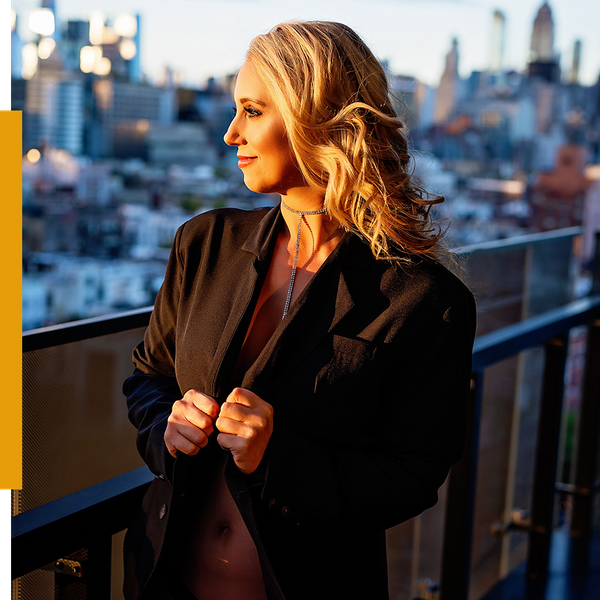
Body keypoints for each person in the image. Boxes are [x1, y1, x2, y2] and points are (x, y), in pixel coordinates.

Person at [123, 21, 476, 600]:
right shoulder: (204, 244)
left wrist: (277, 458)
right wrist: (167, 428)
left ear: (319, 119)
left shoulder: (423, 300)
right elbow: (149, 376)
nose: (231, 132)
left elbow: (414, 475)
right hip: (161, 580)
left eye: (253, 110)